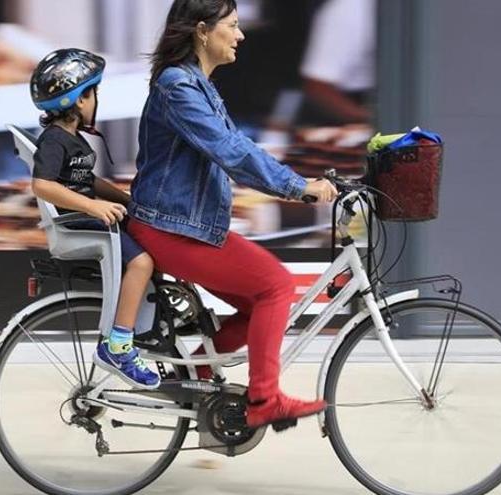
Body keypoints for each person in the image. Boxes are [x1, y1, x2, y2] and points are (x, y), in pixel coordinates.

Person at [127, 0, 338, 430]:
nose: (241, 35)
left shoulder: (198, 85)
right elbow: (231, 152)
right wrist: (298, 187)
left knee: (258, 304)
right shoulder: (178, 87)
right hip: (169, 228)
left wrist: (298, 180)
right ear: (203, 31)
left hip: (186, 224)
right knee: (276, 286)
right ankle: (265, 399)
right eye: (233, 26)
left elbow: (235, 145)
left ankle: (200, 376)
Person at [29, 48, 160, 390]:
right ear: (78, 99)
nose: (95, 100)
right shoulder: (55, 140)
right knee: (142, 263)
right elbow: (42, 185)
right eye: (92, 93)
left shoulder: (72, 140)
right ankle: (119, 344)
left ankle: (147, 325)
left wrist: (125, 200)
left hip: (87, 218)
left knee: (151, 238)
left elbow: (88, 182)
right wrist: (94, 208)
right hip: (78, 225)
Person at [299, 0, 376, 125]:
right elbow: (317, 85)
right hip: (359, 109)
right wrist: (372, 119)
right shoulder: (352, 7)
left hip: (407, 103)